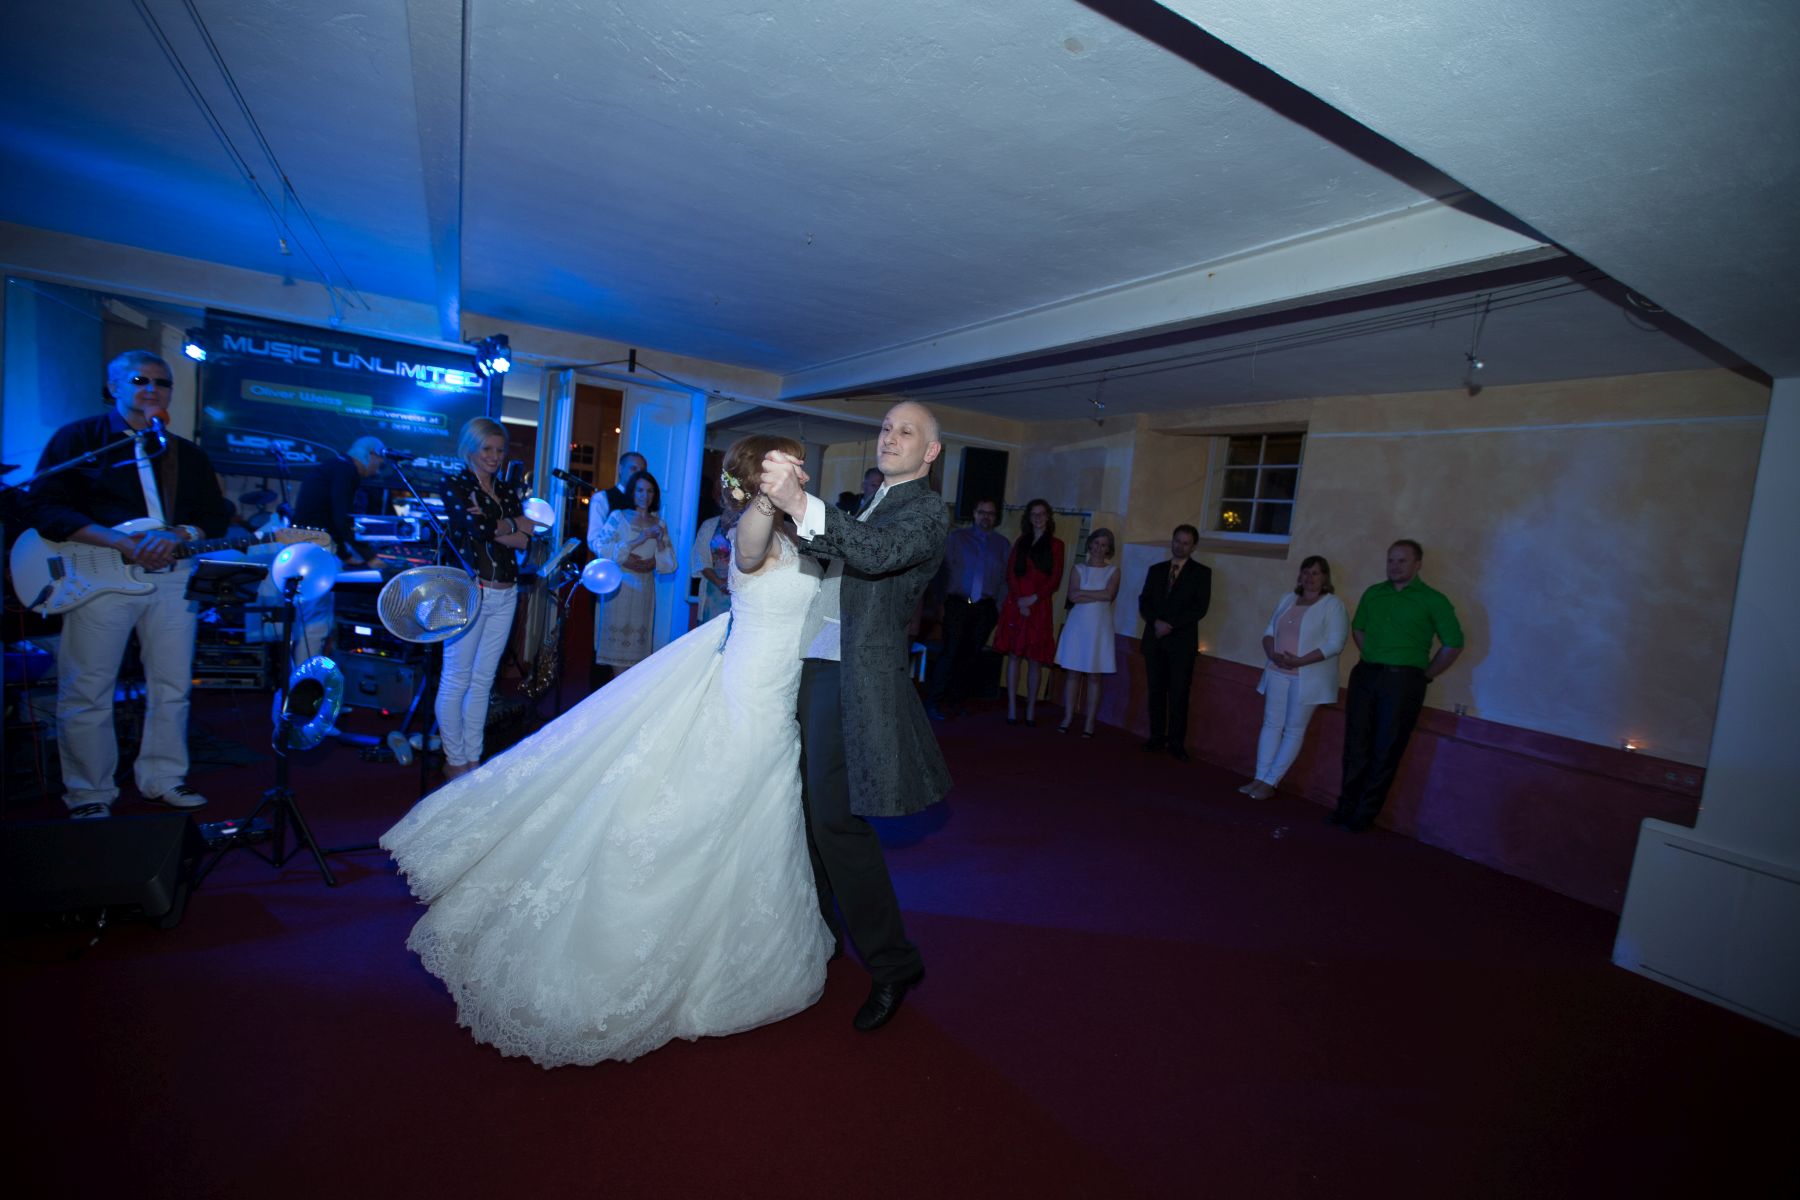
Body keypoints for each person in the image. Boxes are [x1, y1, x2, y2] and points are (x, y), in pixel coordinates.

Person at [381, 435, 832, 1066]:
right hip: (752, 697)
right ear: (763, 477)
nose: (803, 473)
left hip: (776, 688)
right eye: (790, 464)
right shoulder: (753, 529)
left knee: (758, 809)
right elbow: (753, 549)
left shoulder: (800, 529)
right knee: (720, 806)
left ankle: (738, 947)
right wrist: (768, 497)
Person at [760, 400, 951, 1032]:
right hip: (814, 664)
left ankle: (894, 963)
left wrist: (801, 504)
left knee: (837, 822)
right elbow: (838, 566)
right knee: (808, 812)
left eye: (906, 431)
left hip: (851, 675)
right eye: (886, 427)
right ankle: (819, 933)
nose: (890, 437)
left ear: (930, 452)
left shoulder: (928, 511)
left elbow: (875, 553)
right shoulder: (873, 500)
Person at [28, 351, 232, 818]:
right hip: (99, 576)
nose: (152, 389)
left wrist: (180, 533)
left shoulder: (186, 454)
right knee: (88, 687)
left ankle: (164, 778)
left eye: (162, 382)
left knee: (172, 686)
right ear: (113, 386)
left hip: (172, 579)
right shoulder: (80, 440)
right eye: (140, 380)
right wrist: (118, 541)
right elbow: (44, 506)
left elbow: (215, 515)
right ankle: (89, 792)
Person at [1333, 540, 1465, 832]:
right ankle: (1345, 807)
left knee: (1386, 749)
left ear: (1417, 564)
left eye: (1402, 561)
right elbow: (1359, 628)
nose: (1395, 566)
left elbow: (1453, 644)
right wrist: (1375, 656)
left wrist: (1425, 675)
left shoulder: (1434, 600)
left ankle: (1364, 815)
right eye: (1391, 560)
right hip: (1366, 676)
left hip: (1404, 682)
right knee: (1356, 745)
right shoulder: (1373, 593)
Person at [436, 417, 529, 780]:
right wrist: (506, 524)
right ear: (470, 449)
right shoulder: (455, 483)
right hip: (469, 592)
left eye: (499, 450)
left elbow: (526, 537)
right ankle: (455, 759)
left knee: (483, 681)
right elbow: (472, 527)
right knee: (456, 679)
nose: (494, 456)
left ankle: (472, 759)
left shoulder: (505, 488)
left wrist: (494, 524)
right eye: (487, 449)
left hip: (507, 592)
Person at [1241, 555, 1348, 799]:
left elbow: (1335, 643)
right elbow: (1269, 631)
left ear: (1325, 577)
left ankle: (1271, 781)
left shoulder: (1333, 605)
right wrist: (1272, 653)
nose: (1309, 577)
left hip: (1307, 678)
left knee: (1293, 730)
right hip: (1277, 672)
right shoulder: (1288, 599)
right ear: (1299, 575)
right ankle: (1259, 776)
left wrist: (1300, 661)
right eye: (1306, 572)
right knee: (1271, 724)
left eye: (1315, 573)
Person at [274, 436, 386, 664]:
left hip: (306, 548)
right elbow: (341, 518)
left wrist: (345, 555)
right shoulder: (346, 471)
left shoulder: (335, 467)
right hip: (314, 551)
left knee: (308, 618)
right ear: (371, 454)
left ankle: (299, 675)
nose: (378, 469)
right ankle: (306, 678)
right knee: (315, 621)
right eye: (379, 462)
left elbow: (331, 519)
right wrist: (370, 557)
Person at [924, 498, 1009, 721]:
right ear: (974, 514)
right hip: (957, 604)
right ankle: (933, 702)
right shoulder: (957, 538)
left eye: (990, 513)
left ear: (995, 517)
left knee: (970, 657)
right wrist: (939, 603)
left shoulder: (1002, 544)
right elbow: (942, 571)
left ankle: (957, 700)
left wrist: (998, 608)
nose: (986, 517)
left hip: (985, 608)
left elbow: (1005, 580)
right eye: (982, 512)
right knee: (950, 652)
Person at [589, 468, 675, 675]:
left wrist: (657, 550)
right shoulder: (617, 517)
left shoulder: (660, 524)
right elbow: (601, 547)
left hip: (643, 593)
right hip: (619, 590)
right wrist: (638, 540)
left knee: (637, 661)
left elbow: (670, 564)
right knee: (616, 656)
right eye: (640, 490)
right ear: (632, 492)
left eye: (650, 491)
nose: (645, 496)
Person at [1138, 524, 1212, 762]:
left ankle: (1176, 742)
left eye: (1185, 543)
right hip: (1155, 641)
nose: (1180, 546)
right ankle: (1156, 736)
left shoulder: (1201, 573)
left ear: (1193, 546)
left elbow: (1199, 608)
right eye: (1177, 541)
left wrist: (1170, 625)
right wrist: (1155, 622)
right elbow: (1144, 601)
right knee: (1156, 691)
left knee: (1179, 693)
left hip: (1181, 643)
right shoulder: (1157, 570)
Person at [993, 499, 1063, 726]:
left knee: (1035, 659)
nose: (1038, 518)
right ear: (1028, 518)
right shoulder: (1020, 542)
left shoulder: (1057, 545)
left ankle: (1031, 708)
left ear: (1048, 516)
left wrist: (1032, 599)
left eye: (1042, 514)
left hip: (1039, 607)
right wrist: (1020, 601)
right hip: (1017, 605)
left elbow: (1055, 579)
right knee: (1014, 656)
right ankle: (1012, 707)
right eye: (1034, 514)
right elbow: (1010, 574)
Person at [1054, 527, 1120, 737]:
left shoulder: (1113, 571)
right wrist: (1095, 594)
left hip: (1099, 627)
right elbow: (1072, 596)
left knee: (1094, 675)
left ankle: (1089, 721)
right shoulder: (1078, 568)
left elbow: (1109, 595)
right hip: (1078, 625)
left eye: (1104, 545)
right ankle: (1068, 716)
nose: (1099, 548)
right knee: (1073, 673)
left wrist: (1084, 593)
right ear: (1090, 544)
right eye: (1096, 543)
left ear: (1109, 549)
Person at [690, 503, 737, 625]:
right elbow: (700, 559)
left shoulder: (749, 525)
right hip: (713, 590)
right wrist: (720, 583)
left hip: (739, 590)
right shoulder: (709, 525)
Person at [598, 450, 647, 518]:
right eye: (633, 469)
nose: (638, 474)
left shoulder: (646, 498)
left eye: (642, 471)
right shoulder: (602, 498)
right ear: (620, 469)